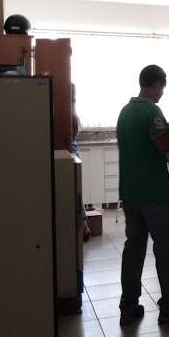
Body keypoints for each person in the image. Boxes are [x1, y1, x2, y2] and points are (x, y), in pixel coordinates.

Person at [116, 65, 169, 325]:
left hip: (130, 193)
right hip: (154, 193)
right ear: (158, 83)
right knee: (165, 251)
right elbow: (164, 145)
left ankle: (128, 307)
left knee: (134, 250)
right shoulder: (152, 111)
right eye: (163, 87)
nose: (163, 93)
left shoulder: (125, 111)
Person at [70, 84, 92, 241]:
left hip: (71, 151)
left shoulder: (67, 113)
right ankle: (84, 224)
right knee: (75, 191)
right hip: (74, 151)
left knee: (74, 191)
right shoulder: (72, 114)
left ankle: (84, 225)